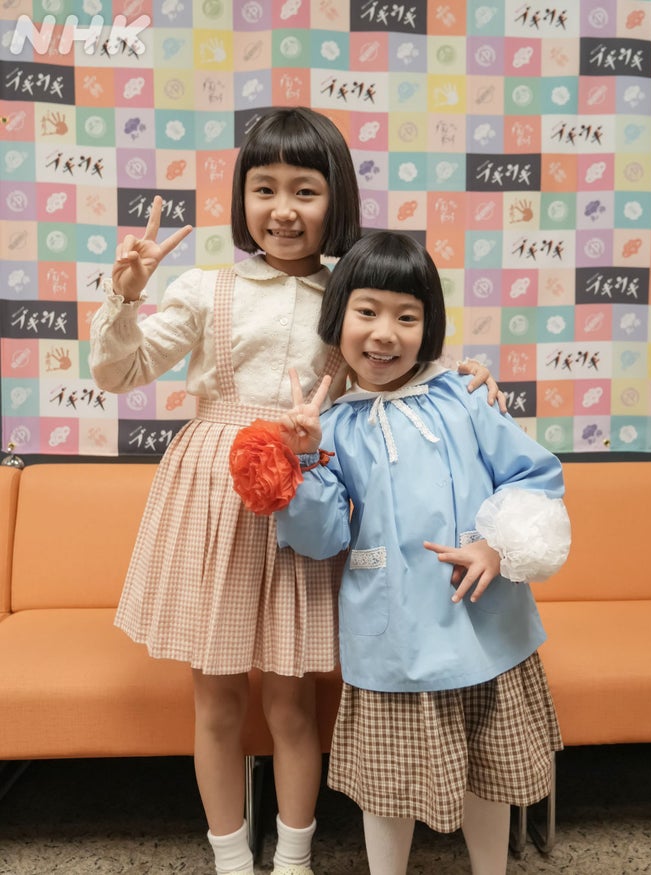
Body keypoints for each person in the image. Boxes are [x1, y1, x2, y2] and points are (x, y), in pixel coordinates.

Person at [89, 108, 500, 875]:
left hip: (306, 501)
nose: (283, 209)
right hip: (211, 498)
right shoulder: (205, 288)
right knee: (216, 699)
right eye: (265, 188)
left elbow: (399, 364)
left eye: (305, 190)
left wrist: (465, 374)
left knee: (292, 700)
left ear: (335, 197)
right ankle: (230, 859)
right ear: (242, 197)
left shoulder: (351, 291)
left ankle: (294, 859)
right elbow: (118, 372)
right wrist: (125, 298)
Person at [272, 231, 571, 875]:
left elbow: (535, 475)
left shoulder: (465, 398)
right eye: (367, 311)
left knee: (490, 775)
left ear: (428, 327)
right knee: (388, 790)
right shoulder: (336, 426)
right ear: (338, 317)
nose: (385, 333)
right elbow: (321, 538)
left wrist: (497, 544)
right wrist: (304, 459)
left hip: (485, 627)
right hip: (394, 640)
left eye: (407, 317)